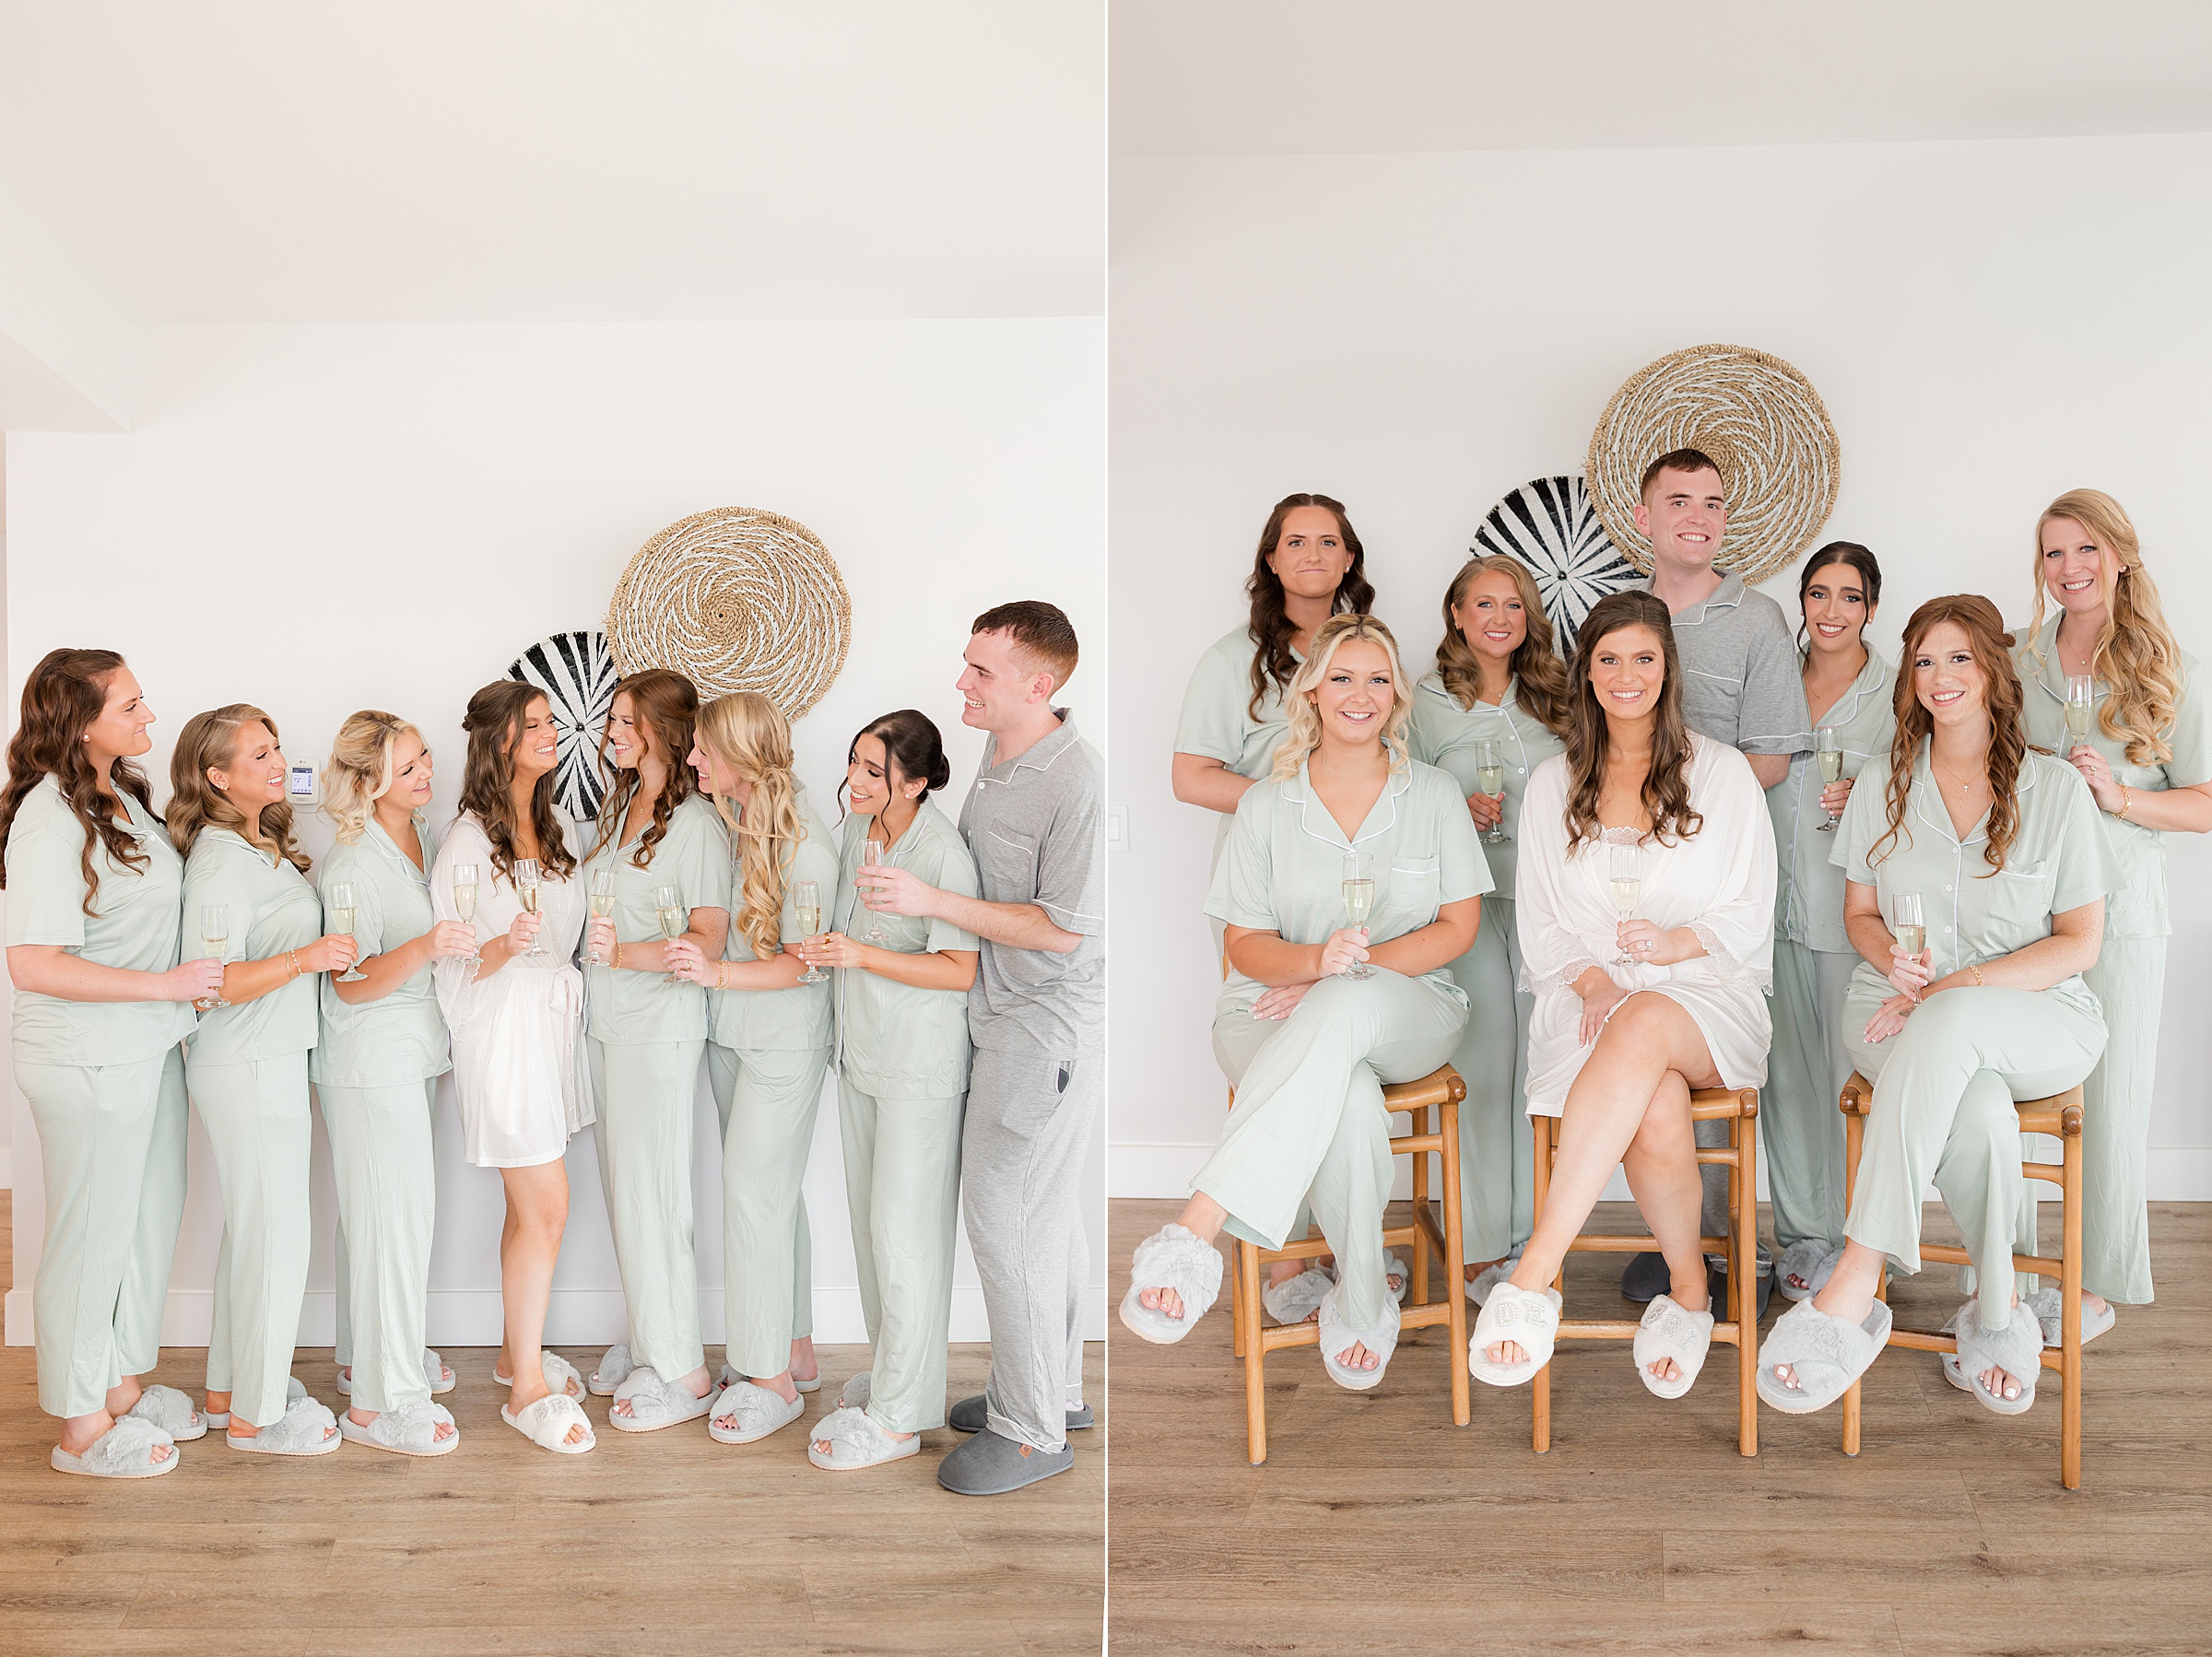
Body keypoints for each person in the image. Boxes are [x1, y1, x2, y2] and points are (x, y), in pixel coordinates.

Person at [1759, 594, 2116, 1416]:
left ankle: (1857, 1275)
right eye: (1923, 660)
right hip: (1890, 1005)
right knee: (1980, 1110)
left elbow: (2080, 944)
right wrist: (1893, 961)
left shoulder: (2057, 789)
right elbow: (1859, 914)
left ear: (1992, 670)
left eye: (1958, 658)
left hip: (2039, 1016)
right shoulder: (1882, 782)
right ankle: (1999, 1316)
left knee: (1954, 1025)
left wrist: (1950, 992)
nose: (1938, 676)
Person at [1122, 613, 1485, 1390]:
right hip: (1265, 1008)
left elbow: (1458, 929)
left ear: (1397, 696)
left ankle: (1197, 1227)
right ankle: (1363, 1300)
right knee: (1347, 1097)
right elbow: (1245, 945)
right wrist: (1313, 963)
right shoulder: (1266, 805)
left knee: (1347, 1004)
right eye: (1342, 677)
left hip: (1409, 1007)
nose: (1361, 694)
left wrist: (1334, 977)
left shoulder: (1435, 794)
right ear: (1312, 691)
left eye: (1378, 679)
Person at [1467, 590, 1776, 1402]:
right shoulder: (1552, 783)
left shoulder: (1723, 773)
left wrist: (1676, 944)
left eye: (1644, 657)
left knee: (1644, 1023)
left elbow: (1750, 909)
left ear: (1668, 668)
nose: (1626, 674)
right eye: (1608, 659)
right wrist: (1594, 979)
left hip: (1707, 995)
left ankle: (1531, 1276)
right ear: (1586, 672)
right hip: (1588, 1002)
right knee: (1657, 1102)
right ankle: (1690, 1293)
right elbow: (1540, 922)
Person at [856, 601, 1102, 1495]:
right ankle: (1049, 1391)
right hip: (1000, 1020)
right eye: (966, 664)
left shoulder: (1074, 781)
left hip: (1042, 1030)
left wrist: (930, 903)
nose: (961, 681)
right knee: (1045, 1218)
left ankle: (1031, 1433)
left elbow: (1063, 930)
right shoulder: (1000, 760)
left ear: (1039, 685)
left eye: (981, 671)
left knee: (1011, 1221)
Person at [3, 651, 219, 1477]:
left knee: (145, 1219)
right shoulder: (47, 819)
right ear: (81, 721)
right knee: (91, 1235)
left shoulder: (117, 795)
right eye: (130, 706)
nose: (148, 716)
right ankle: (80, 1424)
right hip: (85, 1057)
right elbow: (33, 964)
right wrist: (164, 984)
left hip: (147, 1044)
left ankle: (119, 1382)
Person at [1172, 494, 1373, 1319]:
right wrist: (1293, 802)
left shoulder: (1369, 654)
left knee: (1338, 1060)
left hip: (1357, 889)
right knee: (1273, 1054)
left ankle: (1346, 1251)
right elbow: (1190, 777)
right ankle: (1287, 1261)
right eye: (1296, 541)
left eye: (1329, 541)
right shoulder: (1233, 659)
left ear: (1350, 558)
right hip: (1264, 890)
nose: (1313, 554)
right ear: (1271, 559)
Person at [1621, 447, 1810, 1306]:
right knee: (1645, 1058)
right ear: (1644, 517)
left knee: (1720, 1059)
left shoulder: (1757, 619)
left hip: (1718, 873)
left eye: (1713, 503)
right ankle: (1678, 1244)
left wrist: (1680, 802)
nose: (1698, 517)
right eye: (1679, 500)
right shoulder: (1619, 616)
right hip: (1628, 879)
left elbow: (1769, 757)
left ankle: (1738, 1248)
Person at [793, 711, 982, 1472]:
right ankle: (900, 1379)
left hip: (918, 1071)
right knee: (874, 1234)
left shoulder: (941, 854)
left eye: (873, 770)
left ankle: (901, 1416)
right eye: (854, 763)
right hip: (861, 1059)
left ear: (917, 781)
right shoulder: (856, 831)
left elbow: (960, 970)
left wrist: (862, 957)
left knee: (906, 1238)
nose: (854, 780)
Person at [172, 705, 358, 1454]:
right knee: (277, 1236)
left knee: (257, 1232)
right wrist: (303, 960)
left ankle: (230, 1390)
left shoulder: (260, 846)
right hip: (245, 1063)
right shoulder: (219, 862)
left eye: (276, 747)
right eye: (259, 754)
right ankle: (257, 1415)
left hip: (273, 1057)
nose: (279, 761)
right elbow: (208, 984)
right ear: (217, 777)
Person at [665, 691, 836, 1449]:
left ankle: (769, 1380)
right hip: (734, 1037)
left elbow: (805, 964)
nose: (692, 760)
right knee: (772, 1197)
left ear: (739, 756)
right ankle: (794, 1350)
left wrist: (716, 976)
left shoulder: (805, 844)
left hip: (782, 1044)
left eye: (704, 750)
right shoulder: (734, 823)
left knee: (749, 1192)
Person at [430, 682, 594, 1454]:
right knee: (547, 1207)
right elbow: (452, 963)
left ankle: (511, 1355)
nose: (550, 733)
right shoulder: (467, 843)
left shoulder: (555, 827)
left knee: (529, 1208)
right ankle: (526, 1387)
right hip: (502, 1035)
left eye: (552, 721)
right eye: (534, 725)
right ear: (499, 740)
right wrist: (503, 944)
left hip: (550, 1028)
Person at [1408, 553, 1571, 1306]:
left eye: (1513, 605)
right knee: (1485, 1062)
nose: (1499, 618)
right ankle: (1478, 1245)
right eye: (1483, 604)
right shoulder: (1424, 701)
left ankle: (1534, 1241)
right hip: (1467, 903)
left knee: (1542, 1065)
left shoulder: (1559, 693)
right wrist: (1455, 807)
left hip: (1548, 901)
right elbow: (1402, 797)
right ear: (1457, 614)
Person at [573, 671, 732, 1433]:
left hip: (657, 1029)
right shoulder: (620, 805)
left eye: (626, 721)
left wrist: (626, 954)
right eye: (612, 720)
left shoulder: (696, 825)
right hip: (609, 1024)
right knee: (626, 1193)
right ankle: (650, 1338)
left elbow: (709, 938)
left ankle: (683, 1370)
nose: (612, 733)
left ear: (664, 731)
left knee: (655, 1198)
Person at [316, 712, 475, 1455]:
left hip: (411, 1056)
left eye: (424, 759)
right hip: (371, 1062)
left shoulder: (424, 837)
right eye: (407, 768)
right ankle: (382, 1404)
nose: (425, 774)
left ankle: (368, 1359)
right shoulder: (352, 865)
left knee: (380, 1220)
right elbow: (349, 982)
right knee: (392, 1224)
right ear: (368, 781)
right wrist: (425, 946)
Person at [1762, 545, 1894, 1300]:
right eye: (1819, 593)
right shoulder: (1773, 677)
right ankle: (1803, 1235)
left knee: (1853, 1080)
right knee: (1787, 1079)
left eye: (1850, 596)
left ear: (1871, 607)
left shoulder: (1897, 690)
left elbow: (1927, 780)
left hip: (1853, 910)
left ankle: (1863, 1243)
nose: (1832, 610)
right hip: (1769, 905)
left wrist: (1872, 789)